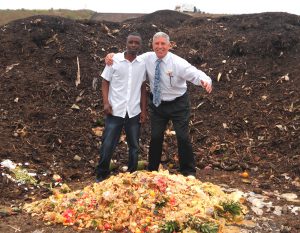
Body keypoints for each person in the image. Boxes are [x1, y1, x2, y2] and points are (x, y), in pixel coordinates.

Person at [106, 31, 212, 177]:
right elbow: (128, 56)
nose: (160, 47)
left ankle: (188, 172)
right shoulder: (146, 58)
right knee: (155, 137)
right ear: (152, 45)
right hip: (157, 104)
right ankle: (153, 170)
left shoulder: (177, 62)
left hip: (178, 104)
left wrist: (205, 81)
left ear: (169, 45)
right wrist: (111, 56)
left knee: (182, 137)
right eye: (157, 44)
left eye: (163, 44)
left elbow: (194, 73)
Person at [96, 32, 147, 182]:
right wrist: (106, 102)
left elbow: (143, 87)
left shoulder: (142, 63)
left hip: (133, 111)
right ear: (126, 43)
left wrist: (143, 110)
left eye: (136, 43)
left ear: (140, 45)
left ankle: (132, 176)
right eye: (131, 42)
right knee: (108, 143)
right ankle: (102, 174)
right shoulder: (114, 61)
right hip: (115, 110)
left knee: (134, 146)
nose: (133, 45)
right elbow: (105, 82)